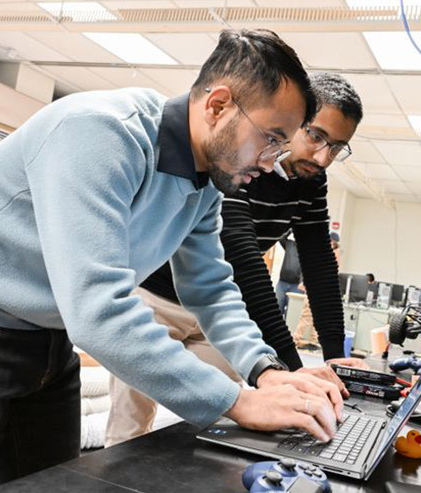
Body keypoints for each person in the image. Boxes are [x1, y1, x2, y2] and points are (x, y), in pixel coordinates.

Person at [0, 29, 346, 492]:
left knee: (55, 485)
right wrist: (236, 401)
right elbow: (98, 309)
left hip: (42, 334)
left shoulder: (208, 181)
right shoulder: (101, 131)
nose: (270, 160)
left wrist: (266, 370)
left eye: (281, 146)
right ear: (218, 105)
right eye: (271, 137)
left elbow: (210, 288)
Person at [107, 72, 368, 446]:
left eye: (338, 147)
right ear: (295, 121)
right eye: (315, 136)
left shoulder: (312, 180)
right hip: (157, 299)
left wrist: (333, 358)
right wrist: (295, 370)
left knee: (223, 422)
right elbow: (243, 260)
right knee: (130, 424)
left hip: (217, 309)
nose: (324, 157)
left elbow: (319, 263)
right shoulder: (242, 159)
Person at [293, 231, 341, 349]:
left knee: (317, 314)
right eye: (330, 241)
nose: (331, 244)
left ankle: (314, 340)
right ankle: (296, 339)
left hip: (322, 287)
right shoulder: (322, 252)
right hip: (315, 287)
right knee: (307, 314)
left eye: (333, 243)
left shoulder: (333, 254)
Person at [275, 234, 303, 316]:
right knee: (277, 308)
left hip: (296, 286)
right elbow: (280, 237)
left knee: (291, 312)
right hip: (282, 283)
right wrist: (290, 228)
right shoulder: (289, 244)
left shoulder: (307, 250)